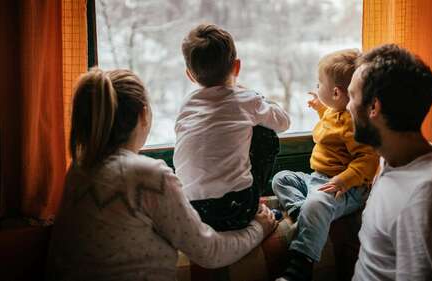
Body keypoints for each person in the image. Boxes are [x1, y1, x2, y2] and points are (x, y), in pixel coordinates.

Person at [46, 68, 277, 281]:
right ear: (143, 114)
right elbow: (210, 252)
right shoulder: (147, 176)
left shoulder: (79, 170)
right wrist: (259, 228)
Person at [348, 44, 432, 281]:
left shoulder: (426, 194)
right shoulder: (392, 160)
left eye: (352, 96)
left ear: (373, 107)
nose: (347, 106)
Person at [272, 49, 379, 281]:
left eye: (319, 83)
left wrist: (343, 180)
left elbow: (368, 160)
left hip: (345, 188)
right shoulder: (334, 110)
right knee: (281, 178)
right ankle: (304, 211)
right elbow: (332, 132)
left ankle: (301, 266)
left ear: (336, 93)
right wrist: (321, 110)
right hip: (318, 178)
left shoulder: (354, 123)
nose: (316, 86)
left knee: (318, 201)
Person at [174, 24, 290, 231]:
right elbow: (283, 122)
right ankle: (255, 208)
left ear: (190, 75)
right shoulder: (246, 99)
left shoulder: (186, 104)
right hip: (236, 210)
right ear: (236, 67)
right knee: (266, 133)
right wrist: (259, 99)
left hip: (191, 211)